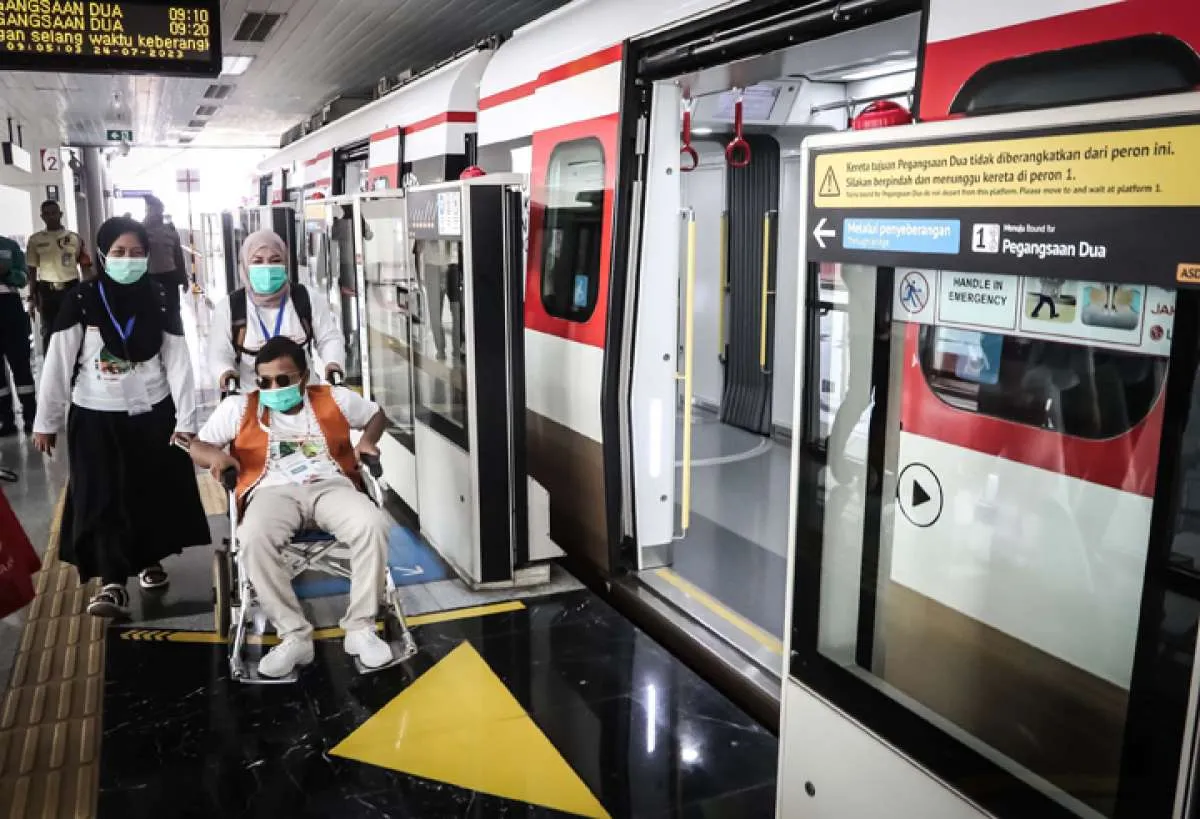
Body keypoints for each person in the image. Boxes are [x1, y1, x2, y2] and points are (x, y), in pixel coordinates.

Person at [31, 217, 209, 618]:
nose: (129, 260)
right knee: (103, 497)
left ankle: (149, 560)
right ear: (102, 255)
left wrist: (186, 421)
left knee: (149, 490)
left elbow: (179, 361)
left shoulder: (159, 297)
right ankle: (112, 583)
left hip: (152, 414)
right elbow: (58, 361)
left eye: (137, 253)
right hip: (96, 416)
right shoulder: (82, 299)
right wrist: (46, 421)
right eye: (119, 252)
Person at [187, 336, 394, 678]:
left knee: (372, 524)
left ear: (304, 375)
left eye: (283, 379)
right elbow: (199, 445)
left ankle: (361, 628)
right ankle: (294, 635)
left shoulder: (334, 398)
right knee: (252, 537)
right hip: (271, 491)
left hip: (330, 485)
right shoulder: (240, 408)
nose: (273, 388)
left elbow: (376, 415)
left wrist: (367, 442)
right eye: (264, 381)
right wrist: (217, 458)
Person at [207, 230, 345, 391]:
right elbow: (219, 351)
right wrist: (225, 372)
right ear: (244, 265)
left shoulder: (307, 298)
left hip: (304, 393)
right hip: (253, 396)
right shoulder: (229, 308)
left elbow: (328, 338)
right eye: (257, 261)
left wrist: (333, 363)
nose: (267, 268)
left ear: (285, 263)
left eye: (275, 260)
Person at [27, 200, 92, 353]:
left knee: (74, 326)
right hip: (47, 290)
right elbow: (32, 270)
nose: (51, 216)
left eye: (54, 213)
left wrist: (89, 290)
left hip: (71, 287)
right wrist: (31, 296)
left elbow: (85, 265)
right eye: (47, 214)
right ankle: (51, 364)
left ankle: (76, 362)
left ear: (60, 214)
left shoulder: (74, 238)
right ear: (42, 217)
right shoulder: (35, 240)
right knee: (49, 330)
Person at [0, 235, 36, 435]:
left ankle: (31, 415)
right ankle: (6, 420)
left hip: (10, 308)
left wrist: (7, 272)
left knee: (20, 364)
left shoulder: (9, 246)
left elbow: (23, 277)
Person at [143, 194, 188, 318]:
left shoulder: (171, 231)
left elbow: (178, 257)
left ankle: (175, 329)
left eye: (155, 210)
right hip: (150, 277)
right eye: (149, 210)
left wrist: (184, 279)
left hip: (169, 276)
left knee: (173, 311)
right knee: (153, 312)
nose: (152, 214)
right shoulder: (141, 231)